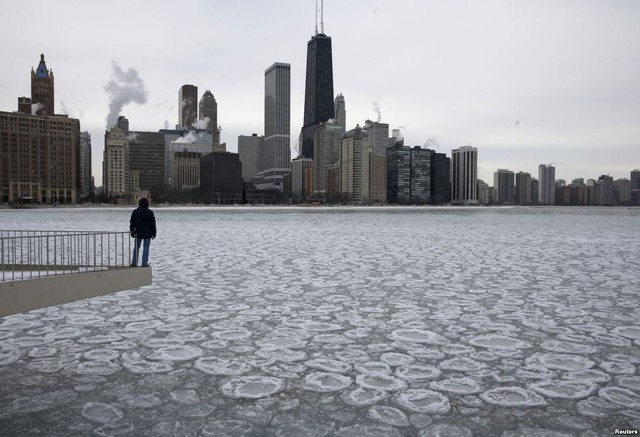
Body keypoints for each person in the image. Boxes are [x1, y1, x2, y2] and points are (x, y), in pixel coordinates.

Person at [130, 196, 156, 267]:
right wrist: (154, 232)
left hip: (138, 232)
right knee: (146, 248)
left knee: (136, 248)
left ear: (139, 203)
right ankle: (144, 263)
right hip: (148, 233)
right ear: (147, 203)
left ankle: (134, 262)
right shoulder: (150, 212)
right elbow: (153, 223)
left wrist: (132, 231)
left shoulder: (135, 211)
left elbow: (132, 222)